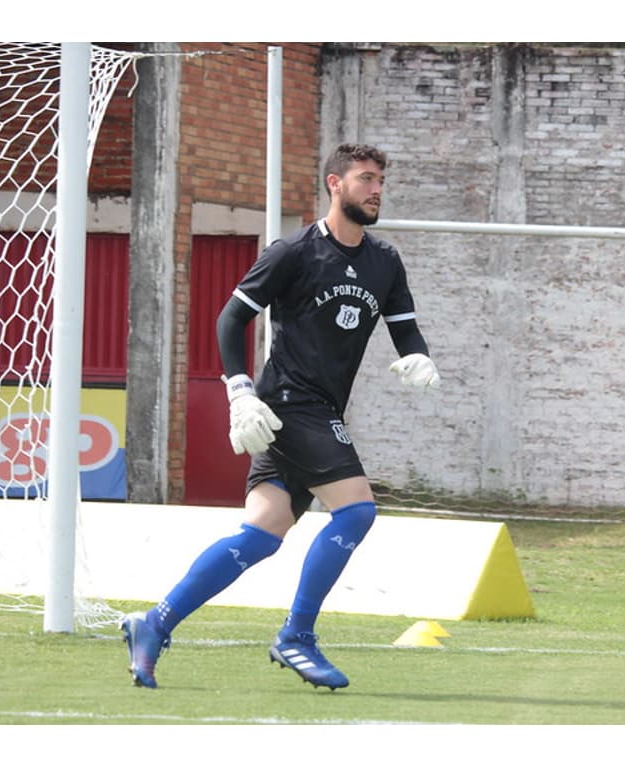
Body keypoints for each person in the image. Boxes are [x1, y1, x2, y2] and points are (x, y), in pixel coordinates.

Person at [120, 143, 440, 691]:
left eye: (381, 180)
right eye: (365, 179)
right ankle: (296, 636)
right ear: (334, 184)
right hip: (289, 404)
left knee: (262, 534)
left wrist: (419, 355)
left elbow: (404, 327)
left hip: (314, 410)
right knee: (357, 511)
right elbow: (229, 320)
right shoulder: (292, 251)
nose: (377, 189)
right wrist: (239, 391)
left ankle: (155, 622)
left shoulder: (385, 261)